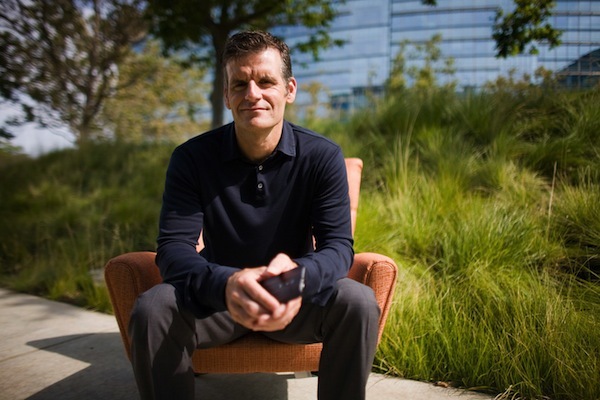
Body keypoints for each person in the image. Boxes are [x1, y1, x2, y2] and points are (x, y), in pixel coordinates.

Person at [128, 30, 380, 400]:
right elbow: (173, 249)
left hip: (296, 301)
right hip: (218, 302)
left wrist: (295, 279)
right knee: (153, 307)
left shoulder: (323, 156)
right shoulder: (191, 159)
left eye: (265, 81)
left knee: (357, 301)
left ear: (289, 89)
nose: (252, 94)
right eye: (239, 83)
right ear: (226, 94)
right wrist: (227, 284)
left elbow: (338, 247)